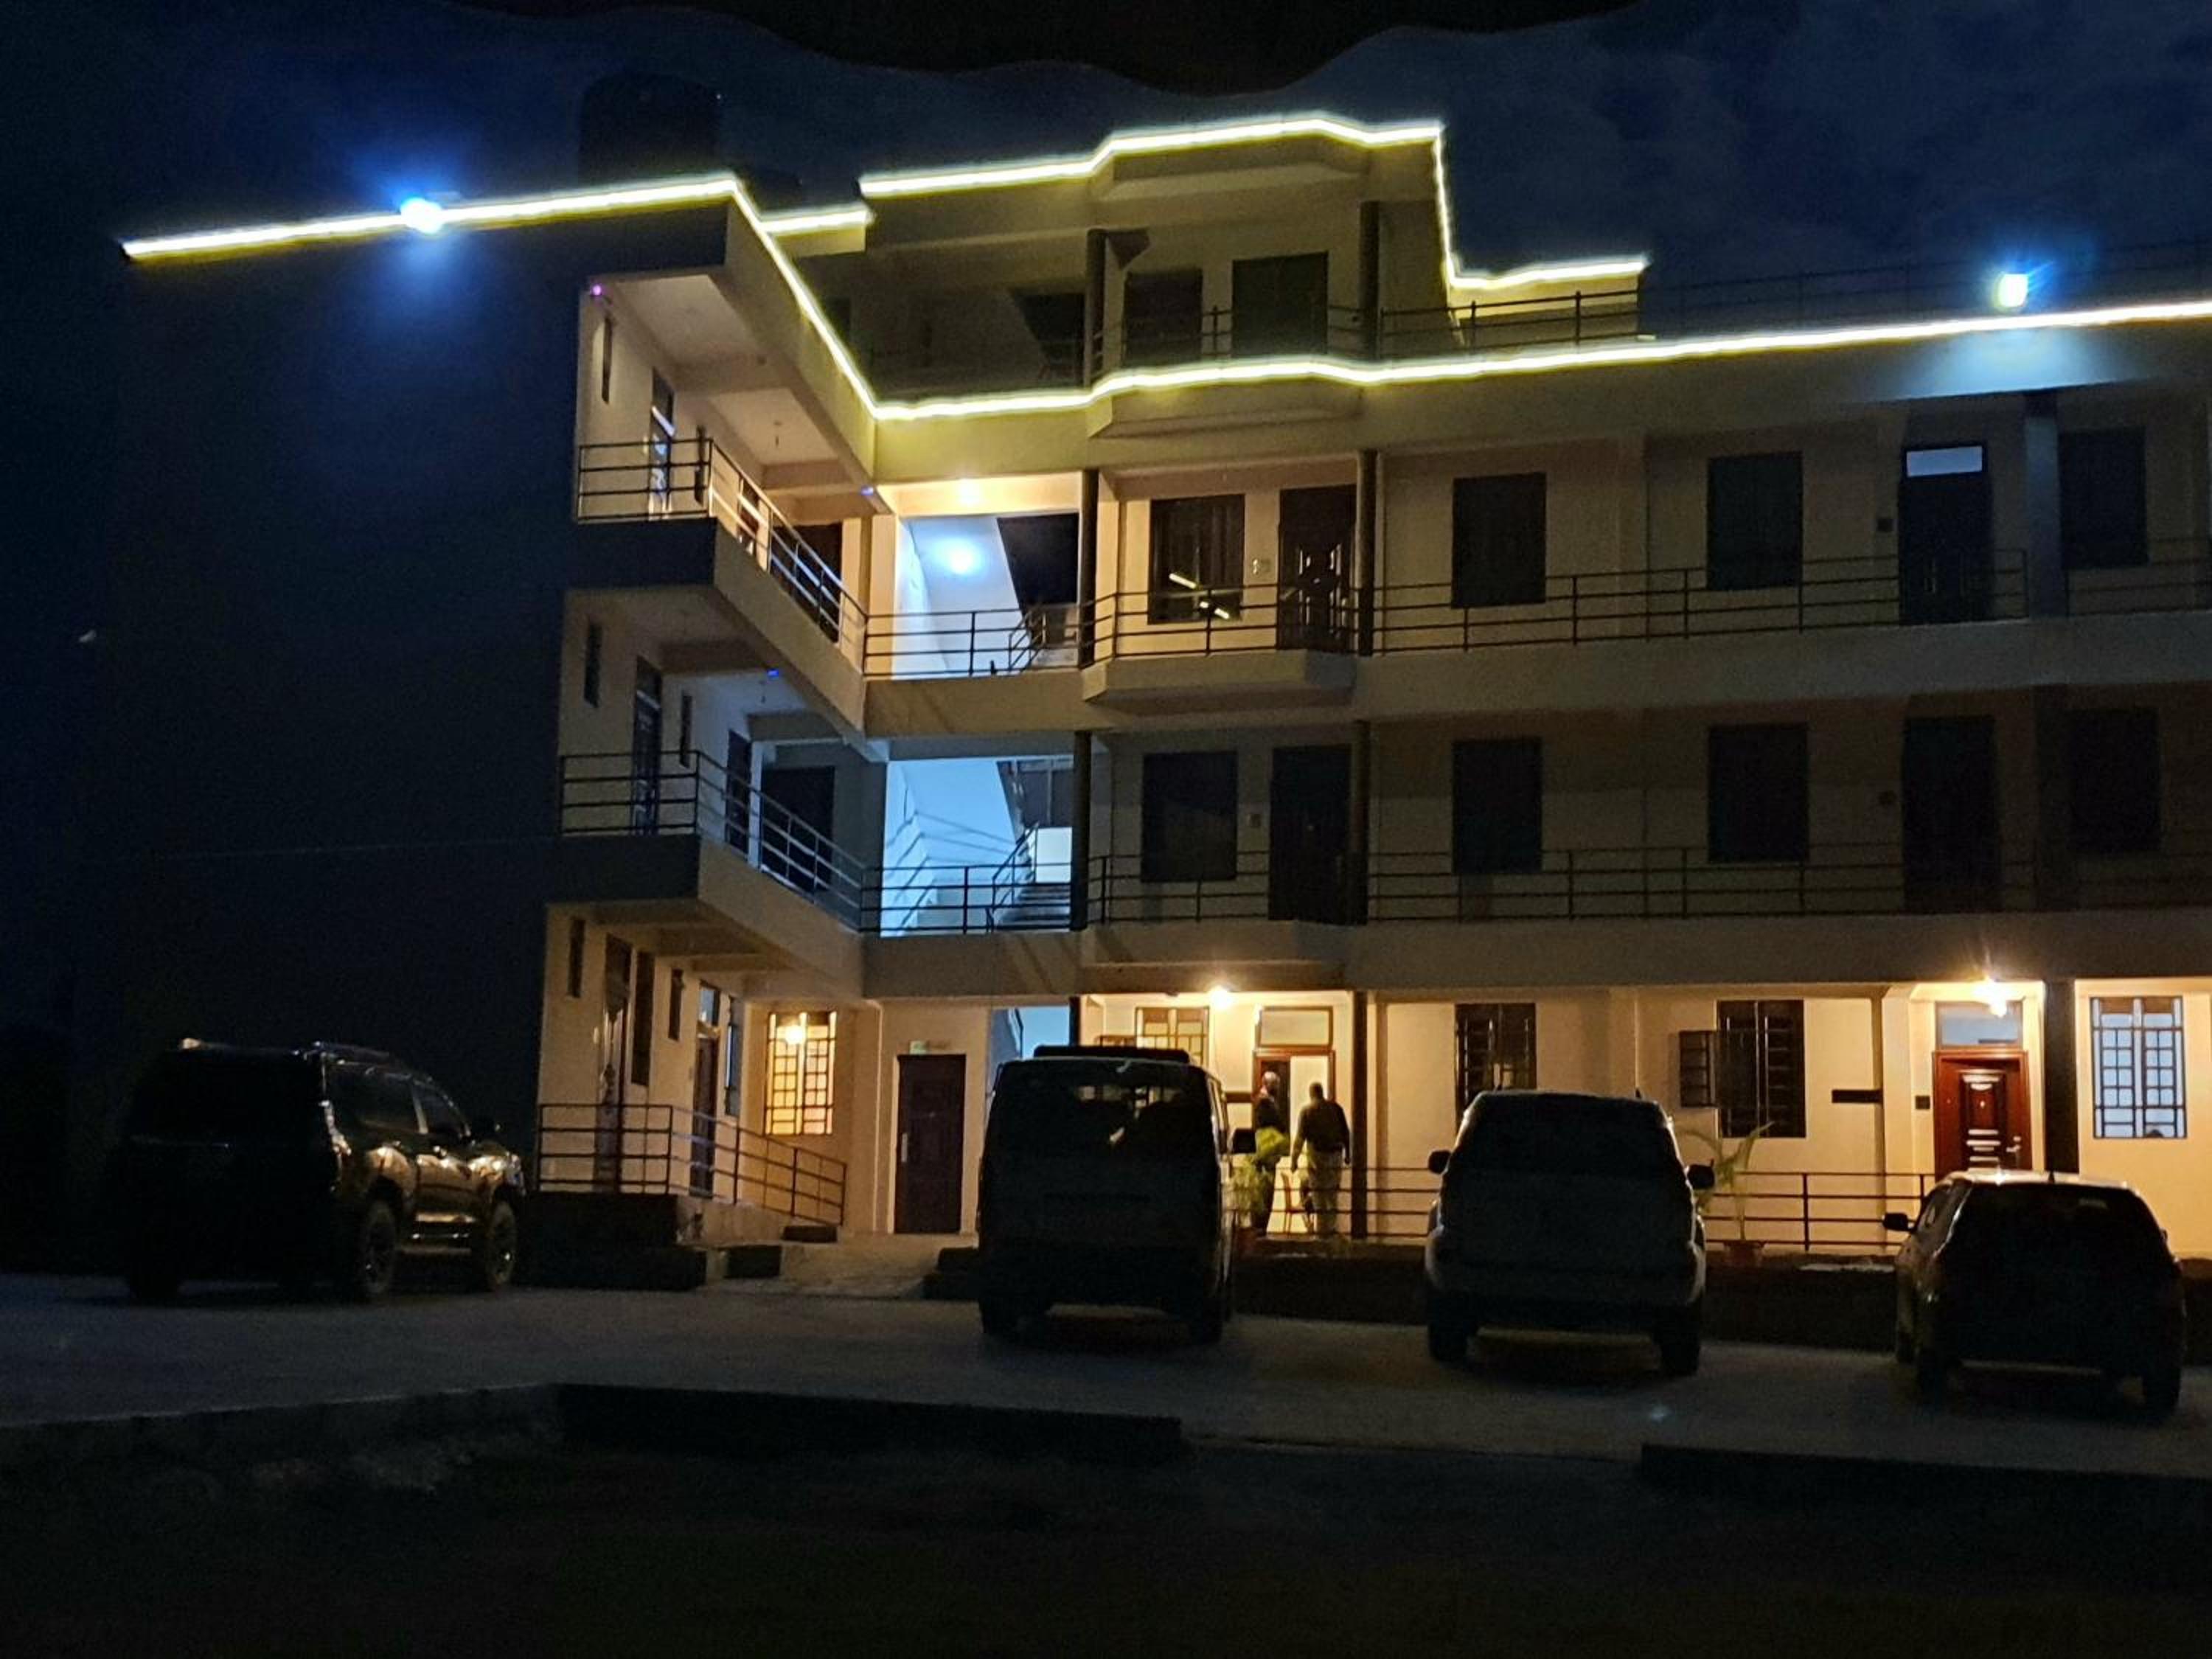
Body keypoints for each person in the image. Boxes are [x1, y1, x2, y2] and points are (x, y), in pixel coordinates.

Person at [1293, 1081, 1352, 1239]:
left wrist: (1294, 1160)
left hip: (1317, 1156)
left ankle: (1321, 1231)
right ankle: (1331, 1229)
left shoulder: (1307, 1111)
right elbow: (1346, 1133)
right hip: (1336, 1155)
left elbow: (1300, 1139)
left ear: (1311, 1094)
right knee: (1332, 1193)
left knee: (1319, 1193)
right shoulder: (1336, 1109)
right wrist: (1348, 1154)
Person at [1248, 1071, 1290, 1234]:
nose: (1278, 1088)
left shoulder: (1263, 1101)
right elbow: (1278, 1124)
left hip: (1266, 1150)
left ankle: (1260, 1226)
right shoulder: (1265, 1103)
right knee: (1265, 1191)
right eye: (1276, 1084)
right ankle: (1260, 1227)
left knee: (1264, 1191)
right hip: (1267, 1151)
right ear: (1268, 1084)